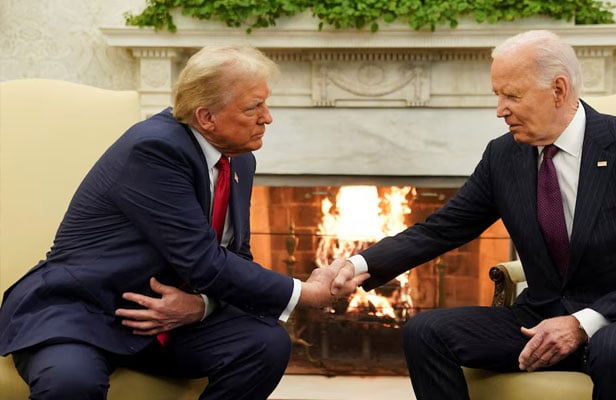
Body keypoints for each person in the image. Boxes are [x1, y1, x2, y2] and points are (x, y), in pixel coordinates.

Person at [336, 30, 616, 400]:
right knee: (425, 331)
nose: (500, 109)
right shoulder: (503, 157)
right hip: (539, 320)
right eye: (497, 94)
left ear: (558, 90)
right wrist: (358, 264)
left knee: (614, 351)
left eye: (512, 95)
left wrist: (581, 322)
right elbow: (441, 229)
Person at [0, 45, 365, 400]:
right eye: (254, 107)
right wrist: (304, 293)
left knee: (264, 345)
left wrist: (202, 305)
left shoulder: (237, 160)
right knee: (70, 383)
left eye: (265, 104)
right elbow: (204, 262)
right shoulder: (155, 149)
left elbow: (235, 256)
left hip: (166, 322)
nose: (267, 117)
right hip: (86, 311)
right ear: (206, 116)